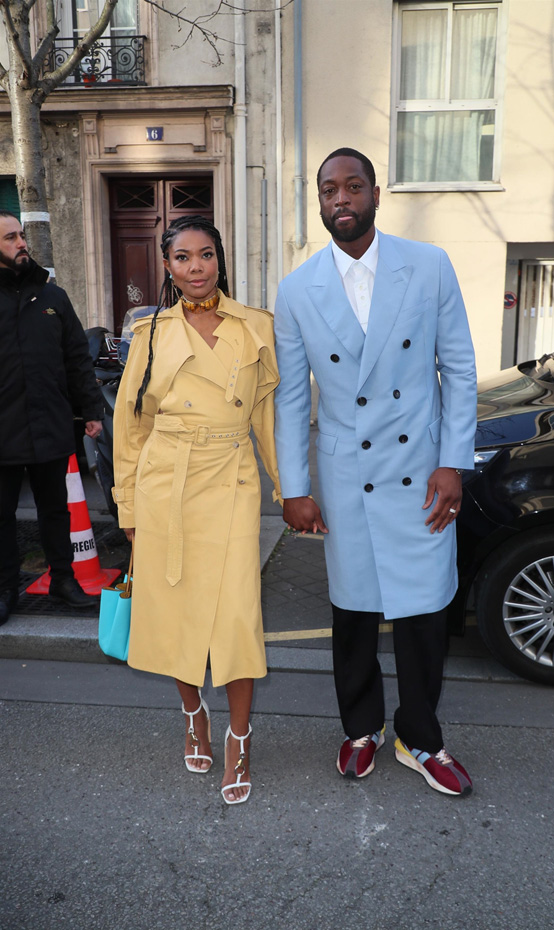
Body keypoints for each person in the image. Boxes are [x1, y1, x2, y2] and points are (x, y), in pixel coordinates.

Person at [274, 148, 477, 796]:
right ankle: (359, 727)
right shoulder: (297, 288)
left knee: (422, 614)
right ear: (320, 201)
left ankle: (420, 737)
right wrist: (294, 487)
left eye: (352, 186)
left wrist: (453, 462)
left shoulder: (429, 266)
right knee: (354, 611)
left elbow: (460, 371)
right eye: (329, 188)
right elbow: (291, 397)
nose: (341, 198)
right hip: (345, 474)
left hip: (420, 470)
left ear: (375, 194)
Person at [112, 215, 281, 805]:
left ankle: (240, 735)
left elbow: (268, 418)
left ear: (219, 259)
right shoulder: (149, 332)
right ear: (167, 266)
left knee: (237, 615)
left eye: (206, 255)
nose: (196, 267)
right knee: (178, 608)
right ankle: (193, 716)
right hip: (167, 482)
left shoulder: (254, 326)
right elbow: (130, 426)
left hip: (231, 477)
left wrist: (291, 492)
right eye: (182, 257)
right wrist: (127, 503)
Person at [0, 211, 104, 623]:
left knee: (56, 511)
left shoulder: (52, 296)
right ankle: (7, 588)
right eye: (10, 238)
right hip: (3, 430)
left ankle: (64, 581)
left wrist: (91, 410)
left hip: (50, 425)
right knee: (1, 517)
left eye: (21, 235)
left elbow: (77, 356)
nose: (21, 243)